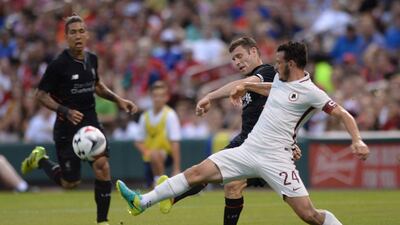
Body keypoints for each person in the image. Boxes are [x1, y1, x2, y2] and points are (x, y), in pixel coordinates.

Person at [116, 41, 370, 225]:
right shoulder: (280, 80)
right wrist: (243, 87)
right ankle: (142, 202)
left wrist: (357, 140)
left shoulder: (312, 92)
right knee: (196, 173)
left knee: (309, 215)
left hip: (276, 158)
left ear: (290, 63)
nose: (275, 64)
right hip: (249, 149)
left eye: (279, 61)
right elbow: (271, 88)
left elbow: (343, 114)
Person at [159, 36, 301, 224]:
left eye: (240, 56)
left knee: (211, 175)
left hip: (260, 147)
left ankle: (170, 195)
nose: (237, 62)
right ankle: (171, 196)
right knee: (230, 185)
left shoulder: (266, 72)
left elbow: (249, 87)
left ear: (253, 51)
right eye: (233, 59)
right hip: (249, 143)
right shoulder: (250, 84)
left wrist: (210, 96)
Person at [20, 14, 137, 225]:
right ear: (65, 37)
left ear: (88, 34)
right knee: (70, 183)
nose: (78, 36)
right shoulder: (58, 65)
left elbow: (97, 86)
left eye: (81, 31)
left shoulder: (92, 59)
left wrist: (119, 100)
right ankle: (41, 160)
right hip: (67, 127)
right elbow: (40, 95)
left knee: (102, 166)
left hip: (91, 122)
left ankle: (102, 221)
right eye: (73, 32)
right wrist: (64, 110)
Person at [134, 80, 181, 189]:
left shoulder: (170, 115)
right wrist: (147, 152)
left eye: (161, 96)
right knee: (148, 187)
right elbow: (138, 141)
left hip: (166, 154)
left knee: (156, 155)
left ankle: (160, 182)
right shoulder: (145, 116)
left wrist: (176, 168)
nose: (158, 99)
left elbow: (175, 142)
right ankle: (159, 182)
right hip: (149, 158)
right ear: (151, 97)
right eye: (155, 96)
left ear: (166, 97)